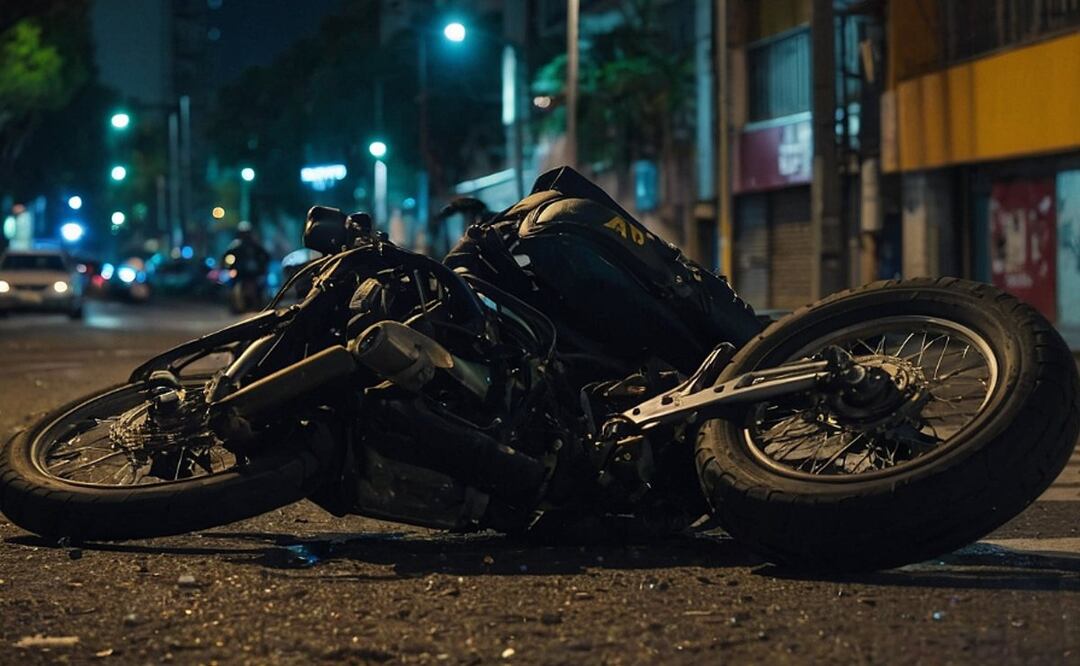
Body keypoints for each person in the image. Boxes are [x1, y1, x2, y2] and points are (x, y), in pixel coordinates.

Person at [223, 222, 271, 312]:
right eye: (243, 233)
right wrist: (229, 266)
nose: (245, 235)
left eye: (246, 233)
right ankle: (233, 303)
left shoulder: (255, 246)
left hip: (254, 273)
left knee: (262, 285)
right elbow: (227, 257)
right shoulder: (235, 246)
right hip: (240, 273)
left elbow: (266, 256)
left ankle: (261, 303)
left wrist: (262, 266)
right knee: (230, 284)